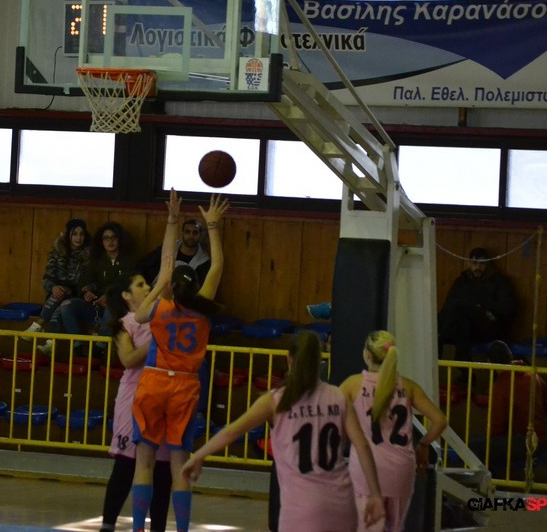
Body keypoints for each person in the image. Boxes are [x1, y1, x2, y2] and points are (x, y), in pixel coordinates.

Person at [183, 331, 385, 532]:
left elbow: (232, 431)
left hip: (302, 507)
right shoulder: (338, 396)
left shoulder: (276, 400)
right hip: (341, 503)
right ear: (319, 361)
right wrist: (375, 494)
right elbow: (362, 445)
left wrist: (199, 455)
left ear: (289, 360)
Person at [130, 192, 228, 532]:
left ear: (171, 286)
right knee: (179, 465)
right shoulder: (202, 310)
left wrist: (172, 219)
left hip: (155, 381)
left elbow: (166, 264)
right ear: (197, 287)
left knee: (144, 462)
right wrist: (212, 226)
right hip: (185, 385)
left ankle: (138, 528)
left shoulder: (159, 307)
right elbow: (217, 266)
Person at [340, 330, 447, 532]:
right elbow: (440, 421)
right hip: (400, 470)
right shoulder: (408, 387)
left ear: (367, 355)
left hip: (366, 471)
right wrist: (423, 444)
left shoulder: (353, 384)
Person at [98, 273, 173, 532]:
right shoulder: (124, 324)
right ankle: (107, 525)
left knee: (163, 469)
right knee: (126, 465)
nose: (147, 287)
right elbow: (128, 359)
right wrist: (156, 340)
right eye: (140, 284)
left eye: (147, 283)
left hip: (162, 396)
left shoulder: (163, 317)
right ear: (126, 295)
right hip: (134, 396)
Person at [56, 222, 138, 350]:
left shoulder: (129, 261)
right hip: (96, 306)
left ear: (120, 239)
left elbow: (130, 286)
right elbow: (83, 283)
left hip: (118, 309)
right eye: (106, 238)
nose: (110, 241)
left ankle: (99, 348)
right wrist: (85, 293)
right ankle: (77, 346)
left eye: (113, 237)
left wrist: (109, 296)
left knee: (111, 303)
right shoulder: (97, 261)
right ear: (101, 241)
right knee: (67, 305)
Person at [437, 247, 517, 362]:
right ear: (469, 263)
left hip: (489, 326)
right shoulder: (462, 281)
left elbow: (508, 308)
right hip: (465, 328)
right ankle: (464, 367)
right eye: (474, 263)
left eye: (482, 263)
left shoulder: (498, 281)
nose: (478, 267)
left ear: (487, 264)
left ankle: (440, 339)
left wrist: (482, 304)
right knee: (462, 321)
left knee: (460, 307)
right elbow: (448, 306)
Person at [480, 340, 547, 473]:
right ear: (510, 356)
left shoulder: (501, 385)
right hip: (540, 438)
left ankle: (492, 480)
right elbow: (545, 391)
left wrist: (491, 438)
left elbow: (496, 425)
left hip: (524, 441)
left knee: (476, 446)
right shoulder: (531, 373)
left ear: (489, 362)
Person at [26, 218, 89, 339]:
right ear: (68, 235)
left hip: (78, 297)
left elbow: (87, 282)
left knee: (63, 296)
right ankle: (51, 342)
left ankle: (37, 325)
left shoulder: (88, 256)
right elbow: (46, 279)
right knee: (57, 308)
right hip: (58, 296)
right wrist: (53, 287)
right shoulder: (57, 252)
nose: (78, 237)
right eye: (75, 234)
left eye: (81, 234)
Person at [137, 217, 210, 287]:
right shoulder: (168, 248)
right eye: (187, 232)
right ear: (182, 233)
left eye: (195, 233)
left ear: (200, 235)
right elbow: (143, 265)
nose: (191, 236)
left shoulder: (203, 261)